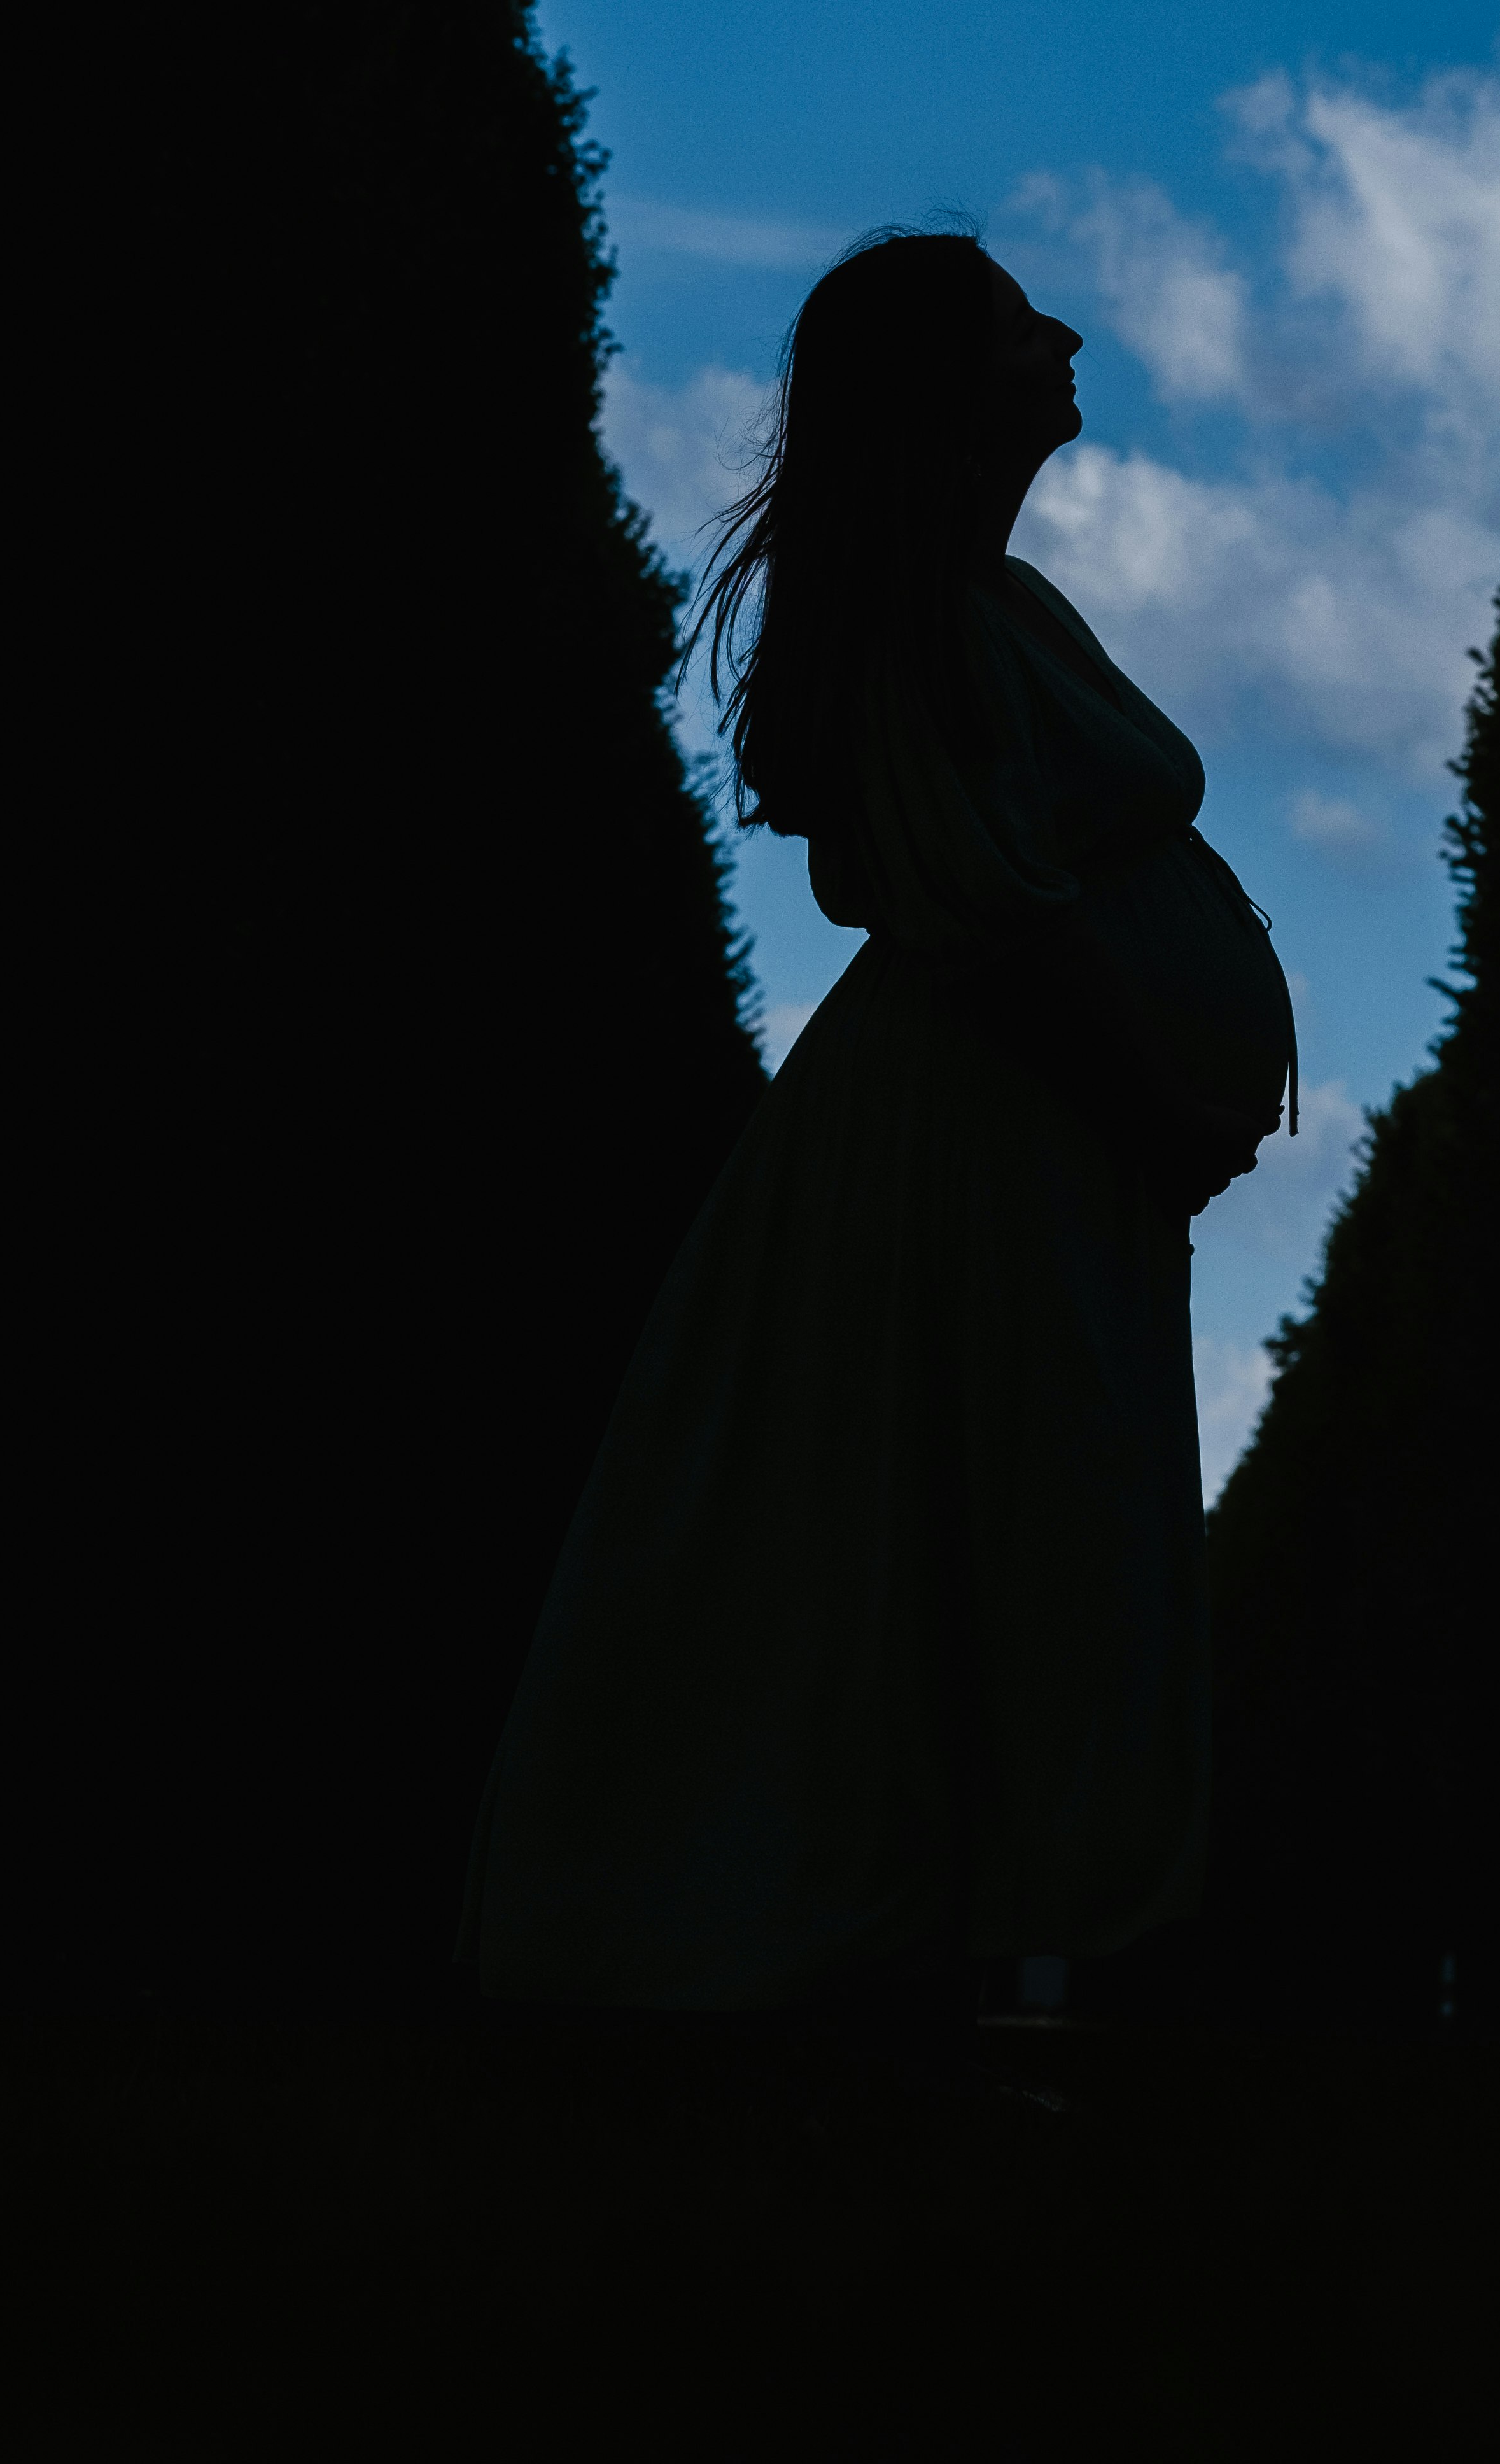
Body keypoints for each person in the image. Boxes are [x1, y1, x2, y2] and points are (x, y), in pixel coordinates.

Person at [462, 223, 1293, 2022]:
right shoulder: (923, 614)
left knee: (1011, 1515)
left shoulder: (991, 603)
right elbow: (981, 911)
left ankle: (997, 1965)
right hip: (989, 1137)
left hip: (1035, 1138)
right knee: (991, 1518)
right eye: (1012, 328)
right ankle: (958, 1971)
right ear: (939, 387)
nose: (1062, 336)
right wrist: (1155, 1101)